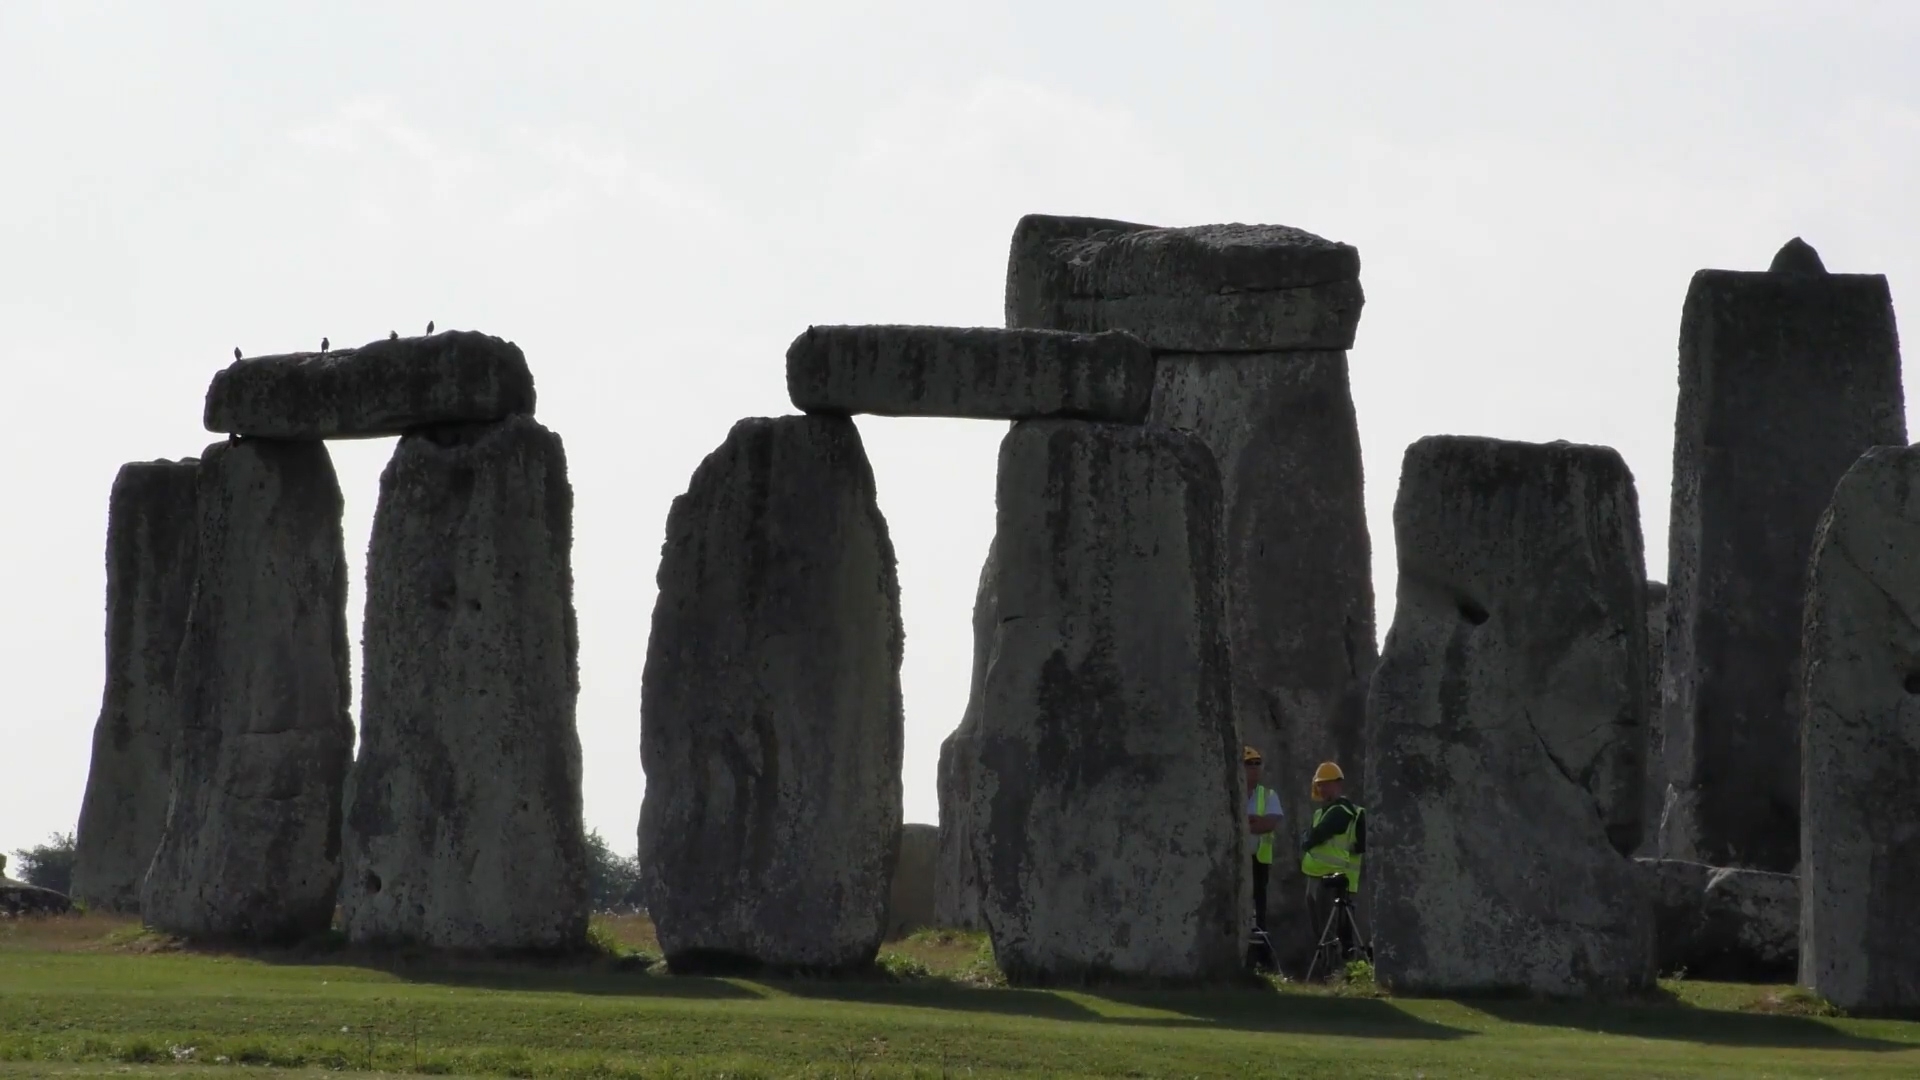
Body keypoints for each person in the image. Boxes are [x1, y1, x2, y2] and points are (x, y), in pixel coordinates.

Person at [1300, 761, 1366, 960]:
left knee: (1332, 932)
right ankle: (1332, 970)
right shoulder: (1322, 812)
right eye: (1320, 784)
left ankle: (1336, 971)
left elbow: (1317, 835)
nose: (1322, 788)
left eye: (1326, 783)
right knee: (1324, 930)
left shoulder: (1344, 811)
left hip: (1334, 879)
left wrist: (1308, 840)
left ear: (1338, 784)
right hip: (1318, 876)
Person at [1243, 746, 1284, 942]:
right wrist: (1250, 821)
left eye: (1257, 763)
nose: (1254, 768)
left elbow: (1268, 824)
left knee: (1259, 906)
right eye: (1249, 764)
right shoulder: (1231, 792)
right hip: (1237, 860)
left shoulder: (1269, 795)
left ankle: (1260, 952)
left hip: (1259, 860)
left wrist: (1246, 822)